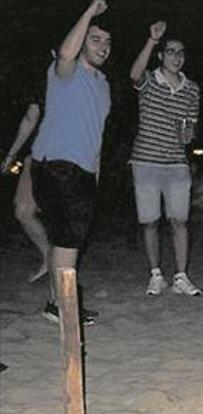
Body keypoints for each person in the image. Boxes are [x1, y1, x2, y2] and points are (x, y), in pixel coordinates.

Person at [29, 0, 112, 325]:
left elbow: (98, 137)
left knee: (64, 238)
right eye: (95, 39)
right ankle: (66, 309)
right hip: (58, 164)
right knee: (69, 240)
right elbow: (65, 54)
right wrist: (90, 11)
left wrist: (96, 176)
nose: (103, 47)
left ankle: (56, 303)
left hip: (82, 170)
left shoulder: (103, 86)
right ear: (81, 41)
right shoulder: (66, 72)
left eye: (107, 42)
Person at [128, 20, 202, 296]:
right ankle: (156, 274)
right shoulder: (149, 80)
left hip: (176, 162)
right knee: (149, 221)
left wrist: (188, 136)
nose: (176, 57)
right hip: (146, 160)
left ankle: (181, 276)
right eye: (170, 51)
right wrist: (152, 40)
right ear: (161, 55)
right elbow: (134, 74)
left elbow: (190, 128)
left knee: (179, 220)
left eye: (180, 52)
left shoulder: (192, 89)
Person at [1, 85, 50, 283]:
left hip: (61, 158)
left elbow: (31, 117)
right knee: (23, 211)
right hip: (36, 157)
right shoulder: (45, 79)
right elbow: (31, 115)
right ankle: (49, 256)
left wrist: (10, 155)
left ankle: (56, 264)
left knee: (59, 219)